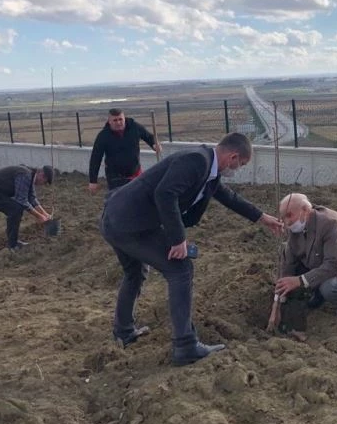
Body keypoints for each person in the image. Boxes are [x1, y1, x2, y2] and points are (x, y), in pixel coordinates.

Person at [99, 132, 282, 366]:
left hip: (118, 219)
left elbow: (228, 197)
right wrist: (177, 239)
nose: (239, 169)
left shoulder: (207, 167)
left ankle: (123, 331)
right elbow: (165, 194)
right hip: (129, 223)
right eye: (242, 164)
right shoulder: (197, 161)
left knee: (135, 272)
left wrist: (262, 218)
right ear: (233, 157)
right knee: (181, 270)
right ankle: (185, 345)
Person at [274, 193, 337, 316]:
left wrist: (300, 281)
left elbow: (331, 265)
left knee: (329, 287)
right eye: (283, 217)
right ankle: (318, 292)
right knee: (294, 277)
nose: (286, 222)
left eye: (289, 215)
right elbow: (289, 262)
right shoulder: (295, 227)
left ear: (305, 210)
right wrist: (280, 297)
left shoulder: (330, 223)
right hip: (319, 261)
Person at [0, 165, 54, 257]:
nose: (42, 184)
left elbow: (32, 198)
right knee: (15, 209)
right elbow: (21, 200)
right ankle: (13, 244)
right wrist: (39, 216)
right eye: (44, 182)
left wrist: (45, 214)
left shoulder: (30, 176)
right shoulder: (25, 175)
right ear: (42, 175)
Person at [88, 108, 162, 193]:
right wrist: (93, 181)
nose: (118, 122)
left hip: (135, 173)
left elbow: (148, 136)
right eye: (115, 120)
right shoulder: (103, 136)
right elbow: (95, 158)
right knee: (119, 202)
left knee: (138, 199)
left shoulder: (134, 127)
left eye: (120, 119)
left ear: (124, 118)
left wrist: (154, 144)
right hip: (115, 178)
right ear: (109, 121)